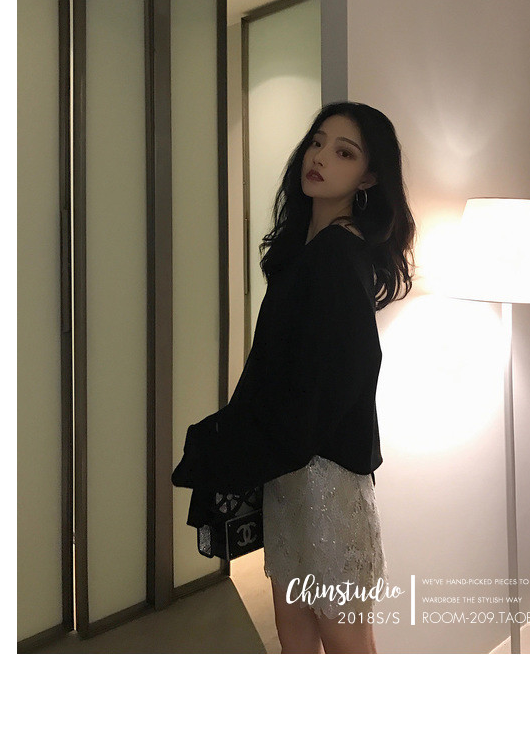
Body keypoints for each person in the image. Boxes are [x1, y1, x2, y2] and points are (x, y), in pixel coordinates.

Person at [172, 101, 416, 653]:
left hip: (324, 480)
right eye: (317, 142)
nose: (320, 157)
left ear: (369, 178)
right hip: (292, 478)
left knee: (344, 644)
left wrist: (244, 441)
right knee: (296, 637)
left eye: (344, 152)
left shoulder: (338, 254)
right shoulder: (308, 248)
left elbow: (344, 375)